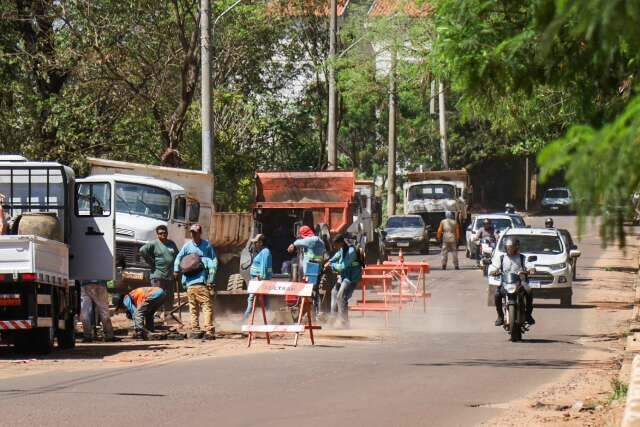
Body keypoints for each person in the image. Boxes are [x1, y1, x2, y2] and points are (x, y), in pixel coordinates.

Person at [174, 224, 218, 339]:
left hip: (189, 285)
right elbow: (213, 264)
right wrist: (211, 281)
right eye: (192, 232)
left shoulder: (206, 246)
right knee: (206, 306)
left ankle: (195, 329)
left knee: (193, 308)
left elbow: (179, 259)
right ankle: (208, 330)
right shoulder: (201, 256)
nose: (193, 234)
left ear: (200, 233)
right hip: (199, 284)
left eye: (195, 232)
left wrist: (179, 274)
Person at [490, 237, 535, 326]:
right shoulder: (502, 258)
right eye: (508, 247)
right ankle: (500, 316)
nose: (510, 249)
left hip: (520, 282)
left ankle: (528, 315)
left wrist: (531, 269)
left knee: (529, 291)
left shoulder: (522, 257)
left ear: (516, 247)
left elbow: (529, 266)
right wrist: (493, 271)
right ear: (505, 248)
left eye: (512, 247)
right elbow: (494, 267)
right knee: (497, 295)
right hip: (506, 282)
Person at [139, 225, 178, 320]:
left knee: (169, 296)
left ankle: (168, 316)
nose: (163, 234)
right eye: (160, 233)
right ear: (157, 235)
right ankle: (156, 316)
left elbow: (177, 256)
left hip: (169, 275)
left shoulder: (171, 243)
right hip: (157, 274)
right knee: (157, 296)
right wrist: (151, 262)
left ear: (167, 233)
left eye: (164, 233)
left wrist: (177, 270)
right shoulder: (154, 243)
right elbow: (142, 250)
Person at [325, 234, 362, 328]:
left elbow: (342, 266)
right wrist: (330, 260)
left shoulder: (351, 251)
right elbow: (338, 254)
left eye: (335, 245)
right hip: (344, 275)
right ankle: (333, 318)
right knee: (334, 292)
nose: (334, 247)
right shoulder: (343, 248)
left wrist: (331, 265)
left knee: (341, 296)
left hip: (351, 277)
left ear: (340, 243)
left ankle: (344, 322)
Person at [288, 225, 326, 314]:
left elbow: (298, 242)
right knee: (313, 291)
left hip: (311, 269)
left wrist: (293, 244)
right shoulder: (316, 240)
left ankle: (312, 313)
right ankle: (315, 312)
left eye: (302, 234)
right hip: (314, 269)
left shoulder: (312, 240)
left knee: (310, 291)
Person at [243, 234, 272, 320]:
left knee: (251, 299)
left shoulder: (265, 252)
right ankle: (266, 318)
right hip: (257, 278)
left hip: (258, 278)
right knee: (262, 299)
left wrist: (261, 277)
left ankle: (245, 319)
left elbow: (264, 265)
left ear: (261, 242)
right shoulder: (263, 251)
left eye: (256, 242)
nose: (254, 244)